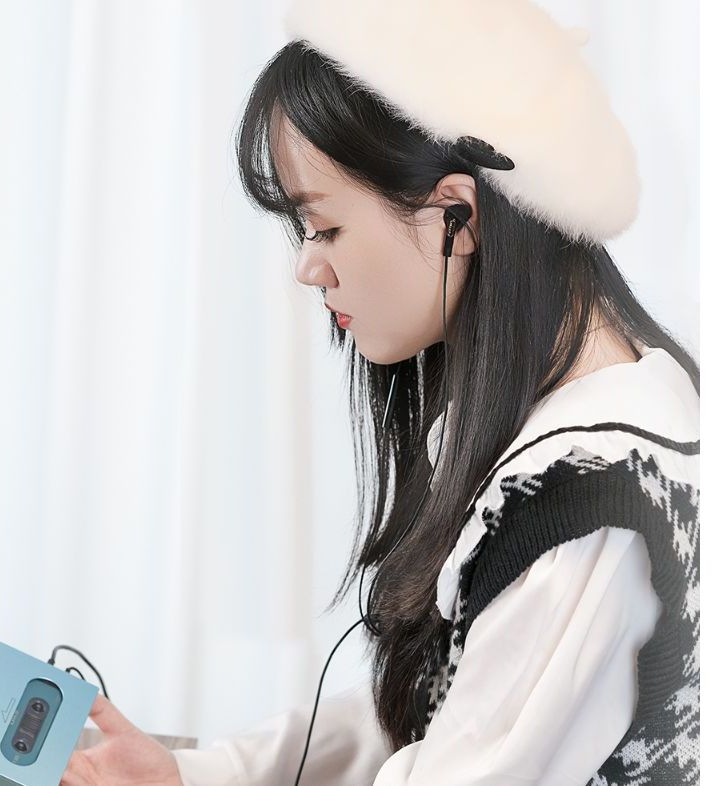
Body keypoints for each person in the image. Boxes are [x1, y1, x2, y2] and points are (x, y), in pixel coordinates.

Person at [60, 0, 699, 784]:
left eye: (323, 228)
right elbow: (444, 705)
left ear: (455, 217)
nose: (307, 267)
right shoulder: (578, 421)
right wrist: (194, 775)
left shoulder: (591, 502)